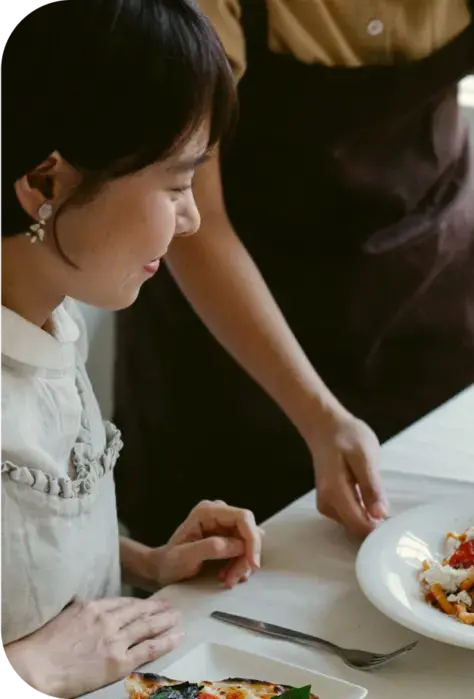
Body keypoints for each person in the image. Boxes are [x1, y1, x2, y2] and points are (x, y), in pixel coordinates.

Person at [114, 0, 474, 546]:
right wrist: (317, 413)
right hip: (227, 331)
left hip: (430, 304)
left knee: (454, 569)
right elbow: (192, 212)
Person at [0, 2, 263, 697]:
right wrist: (37, 667)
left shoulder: (54, 319)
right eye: (176, 184)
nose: (192, 217)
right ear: (46, 183)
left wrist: (143, 565)